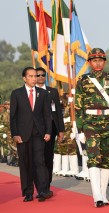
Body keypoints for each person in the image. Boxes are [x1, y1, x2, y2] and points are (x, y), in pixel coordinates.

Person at [75, 48, 109, 207]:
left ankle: (104, 194)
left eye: (100, 60)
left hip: (108, 121)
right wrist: (80, 129)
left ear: (104, 62)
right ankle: (97, 196)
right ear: (89, 62)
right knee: (94, 158)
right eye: (94, 60)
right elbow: (78, 105)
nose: (98, 62)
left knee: (106, 159)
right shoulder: (83, 79)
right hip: (90, 123)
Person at [10, 66, 53, 202]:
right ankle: (28, 192)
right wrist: (15, 134)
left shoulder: (43, 94)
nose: (34, 78)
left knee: (40, 161)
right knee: (25, 163)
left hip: (39, 134)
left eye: (35, 76)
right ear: (24, 78)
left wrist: (48, 131)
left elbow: (47, 115)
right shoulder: (16, 94)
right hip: (22, 135)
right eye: (31, 76)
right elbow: (13, 116)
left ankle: (43, 190)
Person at [35, 67, 65, 187]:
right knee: (37, 157)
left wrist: (61, 130)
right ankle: (38, 182)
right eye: (38, 75)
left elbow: (58, 112)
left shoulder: (52, 91)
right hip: (36, 129)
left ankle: (47, 184)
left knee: (48, 156)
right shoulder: (31, 92)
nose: (41, 77)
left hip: (50, 128)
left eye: (43, 75)